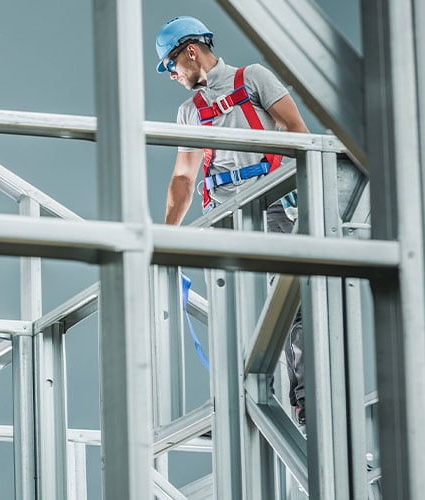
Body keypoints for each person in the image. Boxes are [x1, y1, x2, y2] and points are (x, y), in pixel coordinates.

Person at [154, 16, 310, 424]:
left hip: (272, 203)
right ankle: (238, 405)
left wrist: (296, 188)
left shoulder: (253, 78)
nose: (171, 74)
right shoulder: (189, 112)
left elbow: (296, 130)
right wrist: (167, 237)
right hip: (224, 215)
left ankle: (305, 401)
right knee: (232, 314)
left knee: (290, 303)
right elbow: (184, 177)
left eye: (170, 64)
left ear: (190, 51)